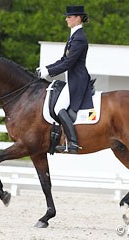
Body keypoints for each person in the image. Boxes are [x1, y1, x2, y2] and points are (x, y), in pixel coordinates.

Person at [38, 5, 93, 154]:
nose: (66, 19)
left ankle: (73, 143)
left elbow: (69, 63)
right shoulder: (73, 36)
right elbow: (64, 59)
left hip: (78, 80)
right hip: (73, 78)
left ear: (77, 18)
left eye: (69, 17)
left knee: (58, 108)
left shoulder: (80, 38)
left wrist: (49, 72)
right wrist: (45, 68)